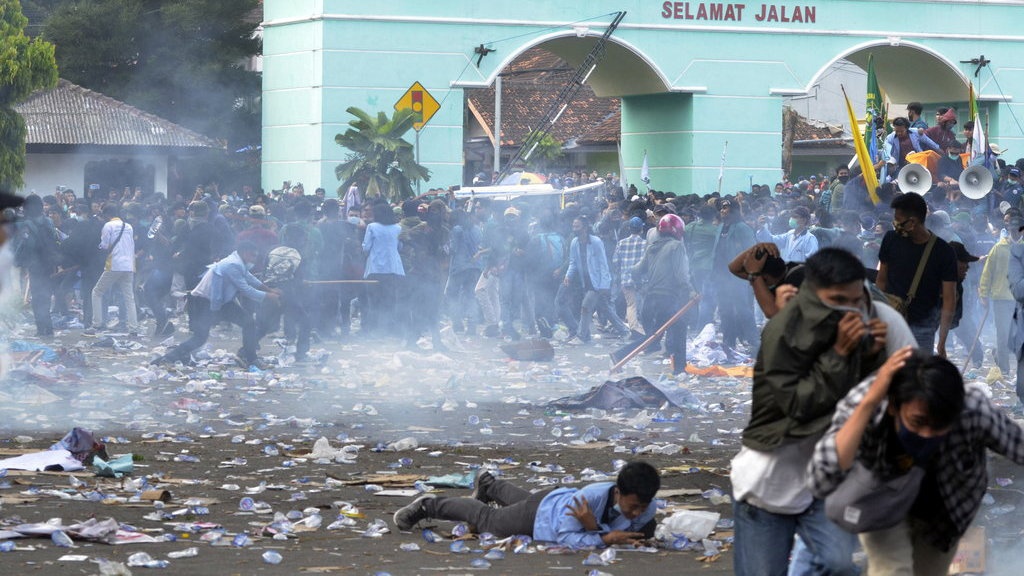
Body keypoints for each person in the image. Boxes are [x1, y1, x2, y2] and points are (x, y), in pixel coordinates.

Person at [731, 248, 916, 576]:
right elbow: (798, 406)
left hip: (827, 483)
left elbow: (905, 390)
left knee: (837, 564)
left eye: (857, 299)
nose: (851, 311)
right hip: (768, 485)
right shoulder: (783, 330)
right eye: (837, 300)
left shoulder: (881, 322)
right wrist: (842, 353)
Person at [809, 349, 1024, 575]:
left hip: (943, 513)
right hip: (881, 503)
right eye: (918, 421)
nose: (928, 434)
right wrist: (867, 406)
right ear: (894, 406)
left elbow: (1017, 446)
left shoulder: (971, 408)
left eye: (940, 424)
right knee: (893, 571)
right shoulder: (868, 404)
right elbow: (820, 478)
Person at [392, 461, 659, 548]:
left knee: (523, 501)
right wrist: (604, 536)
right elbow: (565, 536)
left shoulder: (647, 506)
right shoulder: (587, 499)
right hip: (543, 514)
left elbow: (635, 529)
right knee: (491, 521)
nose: (637, 513)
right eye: (632, 505)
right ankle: (430, 506)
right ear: (618, 492)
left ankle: (489, 485)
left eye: (642, 507)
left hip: (551, 499)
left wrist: (597, 529)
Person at [154, 242, 279, 367]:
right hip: (203, 302)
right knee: (200, 338)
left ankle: (249, 357)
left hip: (219, 301)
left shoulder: (238, 262)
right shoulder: (232, 264)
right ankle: (169, 358)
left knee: (248, 323)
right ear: (245, 253)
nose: (254, 259)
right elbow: (245, 289)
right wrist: (269, 296)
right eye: (253, 256)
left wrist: (268, 289)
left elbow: (249, 277)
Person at [876, 192, 957, 355]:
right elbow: (881, 280)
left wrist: (942, 342)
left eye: (898, 221)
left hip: (923, 330)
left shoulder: (943, 251)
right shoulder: (890, 239)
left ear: (912, 222)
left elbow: (949, 299)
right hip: (890, 324)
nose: (895, 225)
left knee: (916, 377)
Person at [618, 214, 693, 374]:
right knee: (679, 328)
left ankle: (619, 355)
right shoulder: (676, 246)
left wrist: (640, 285)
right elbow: (681, 276)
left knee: (654, 336)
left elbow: (636, 270)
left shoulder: (652, 247)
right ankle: (680, 369)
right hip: (667, 298)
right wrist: (690, 291)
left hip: (650, 300)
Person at [563, 215, 630, 344]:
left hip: (597, 282)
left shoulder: (596, 242)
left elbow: (603, 263)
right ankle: (624, 331)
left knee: (586, 306)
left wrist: (605, 284)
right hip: (585, 282)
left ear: (585, 228)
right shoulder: (574, 243)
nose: (574, 229)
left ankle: (582, 336)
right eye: (573, 226)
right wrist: (568, 275)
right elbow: (573, 262)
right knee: (605, 308)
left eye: (577, 226)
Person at [86, 204, 138, 335]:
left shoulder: (108, 226)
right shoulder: (129, 226)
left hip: (114, 264)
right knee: (129, 298)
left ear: (107, 215)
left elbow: (104, 245)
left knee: (97, 292)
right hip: (129, 265)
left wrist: (98, 246)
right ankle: (133, 328)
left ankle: (96, 324)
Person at [13, 194, 60, 337]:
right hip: (49, 264)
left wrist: (18, 260)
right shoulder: (48, 221)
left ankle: (41, 329)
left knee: (37, 296)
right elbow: (55, 240)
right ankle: (49, 328)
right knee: (46, 295)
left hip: (35, 265)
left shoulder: (23, 224)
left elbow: (25, 245)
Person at [980, 215, 1020, 375]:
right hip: (1001, 299)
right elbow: (987, 272)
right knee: (1003, 335)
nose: (1016, 233)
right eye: (1013, 230)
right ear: (1009, 230)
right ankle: (1004, 369)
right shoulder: (998, 248)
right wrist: (983, 293)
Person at [611, 216, 647, 335]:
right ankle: (643, 327)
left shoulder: (621, 243)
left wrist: (621, 272)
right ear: (641, 229)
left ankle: (633, 327)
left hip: (626, 279)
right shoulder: (645, 244)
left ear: (629, 229)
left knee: (631, 305)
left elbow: (615, 261)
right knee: (642, 303)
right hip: (642, 279)